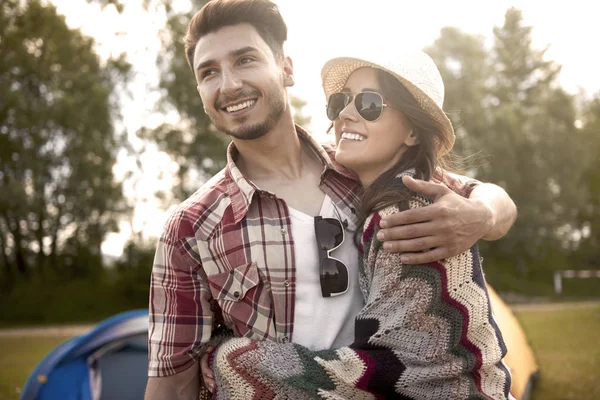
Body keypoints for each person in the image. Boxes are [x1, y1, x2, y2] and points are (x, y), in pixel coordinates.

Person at [144, 1, 516, 399]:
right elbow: (172, 385)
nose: (229, 84)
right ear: (200, 91)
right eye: (209, 72)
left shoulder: (366, 167)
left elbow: (490, 199)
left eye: (245, 59)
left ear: (286, 68)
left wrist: (479, 215)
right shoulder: (191, 228)